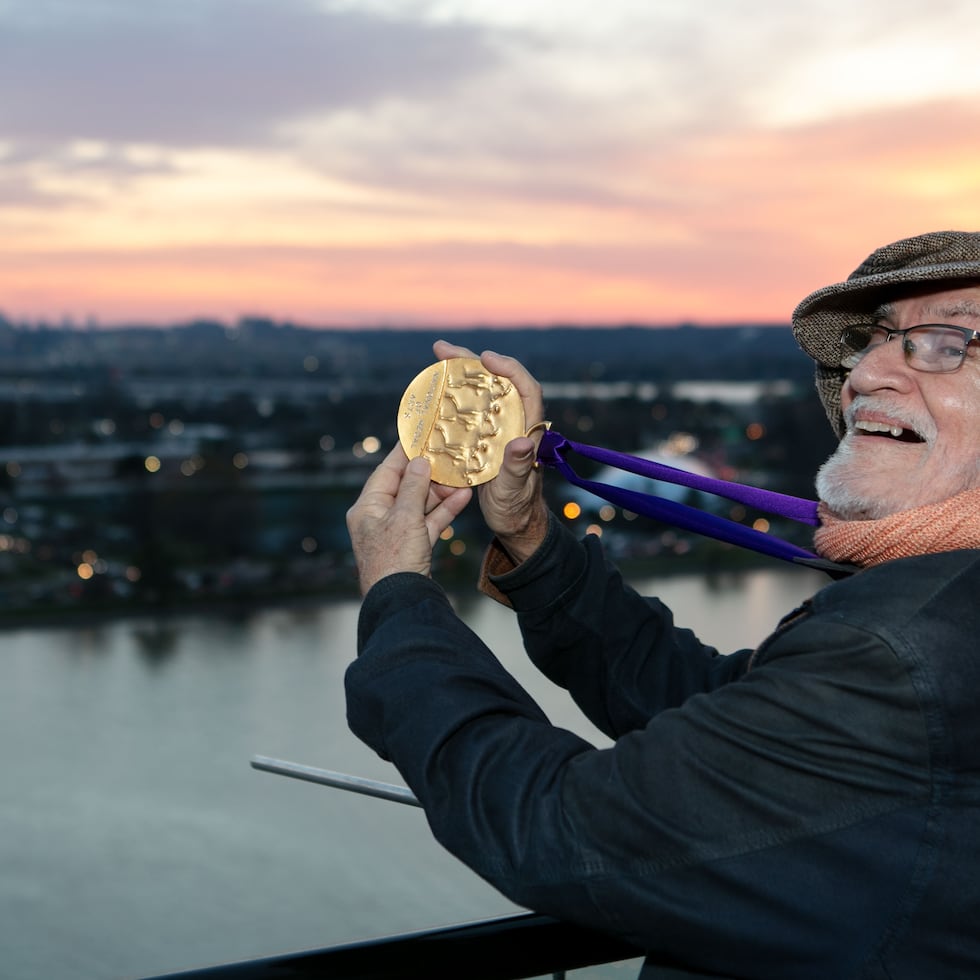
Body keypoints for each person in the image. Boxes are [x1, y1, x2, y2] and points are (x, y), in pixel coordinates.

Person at [344, 230, 980, 979]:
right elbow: (733, 716)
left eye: (946, 343)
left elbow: (555, 827)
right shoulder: (935, 618)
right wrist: (529, 538)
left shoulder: (904, 648)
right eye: (874, 338)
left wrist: (397, 597)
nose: (866, 371)